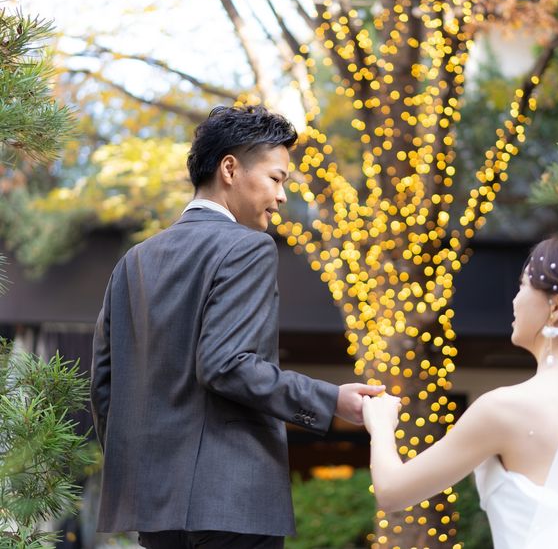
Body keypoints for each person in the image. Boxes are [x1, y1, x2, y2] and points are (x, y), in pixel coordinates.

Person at [91, 105, 384, 549]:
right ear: (229, 169)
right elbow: (227, 364)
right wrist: (331, 401)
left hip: (153, 509)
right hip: (234, 503)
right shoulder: (249, 247)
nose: (281, 196)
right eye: (276, 179)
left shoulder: (133, 262)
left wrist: (142, 474)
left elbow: (104, 386)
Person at [363, 230, 558, 548]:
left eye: (523, 286)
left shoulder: (505, 410)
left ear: (557, 306)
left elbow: (392, 492)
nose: (514, 300)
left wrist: (381, 425)